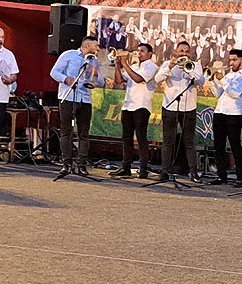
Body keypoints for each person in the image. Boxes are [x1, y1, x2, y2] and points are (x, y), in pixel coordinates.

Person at [50, 35, 105, 175]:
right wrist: (65, 79)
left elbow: (101, 82)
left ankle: (82, 165)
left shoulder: (94, 61)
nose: (98, 49)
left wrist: (96, 75)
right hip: (68, 97)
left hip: (85, 99)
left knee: (84, 133)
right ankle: (66, 163)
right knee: (66, 131)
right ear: (87, 46)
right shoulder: (69, 55)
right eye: (96, 46)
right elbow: (54, 72)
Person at [154, 41, 206, 182]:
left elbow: (201, 81)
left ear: (190, 53)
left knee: (189, 142)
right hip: (170, 106)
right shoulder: (167, 64)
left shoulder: (196, 65)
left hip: (188, 108)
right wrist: (169, 68)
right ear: (176, 52)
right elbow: (157, 79)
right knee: (168, 141)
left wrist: (189, 71)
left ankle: (193, 173)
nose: (184, 54)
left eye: (186, 51)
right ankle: (164, 172)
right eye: (181, 51)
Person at [110, 43, 158, 178]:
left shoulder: (152, 66)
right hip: (128, 105)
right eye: (138, 51)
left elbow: (138, 79)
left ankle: (143, 169)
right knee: (127, 138)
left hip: (141, 106)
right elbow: (119, 81)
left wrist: (125, 64)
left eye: (142, 51)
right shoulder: (134, 66)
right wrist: (118, 65)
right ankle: (126, 166)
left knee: (141, 138)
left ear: (150, 54)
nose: (139, 53)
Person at [209, 49, 242, 187]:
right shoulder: (229, 75)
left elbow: (235, 94)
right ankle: (221, 176)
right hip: (219, 112)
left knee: (235, 146)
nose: (231, 63)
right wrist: (213, 81)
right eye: (230, 60)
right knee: (219, 146)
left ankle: (241, 178)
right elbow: (218, 94)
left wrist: (222, 80)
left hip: (234, 114)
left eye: (234, 60)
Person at [0, 28, 20, 140]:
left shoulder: (8, 54)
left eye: (2, 37)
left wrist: (10, 80)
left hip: (1, 96)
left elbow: (14, 74)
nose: (0, 40)